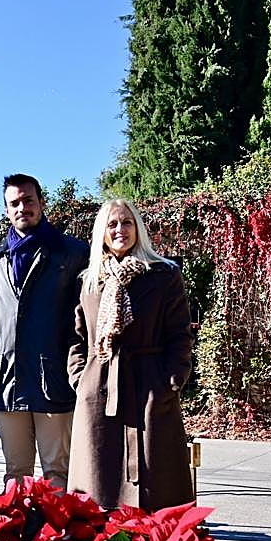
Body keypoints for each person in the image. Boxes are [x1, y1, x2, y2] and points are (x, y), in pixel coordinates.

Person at [67, 199, 195, 511]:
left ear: (138, 228)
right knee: (98, 491)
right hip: (99, 391)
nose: (120, 229)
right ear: (102, 233)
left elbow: (180, 334)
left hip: (151, 389)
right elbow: (77, 337)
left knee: (157, 487)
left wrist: (171, 381)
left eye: (127, 222)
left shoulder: (164, 276)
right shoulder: (90, 282)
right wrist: (80, 378)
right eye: (112, 224)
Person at [0, 173, 89, 491]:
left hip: (54, 380)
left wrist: (76, 372)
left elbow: (82, 320)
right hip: (8, 384)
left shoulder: (72, 254)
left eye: (28, 200)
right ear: (6, 210)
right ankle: (20, 539)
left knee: (58, 472)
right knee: (16, 473)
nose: (22, 207)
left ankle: (56, 539)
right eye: (14, 203)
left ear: (42, 203)